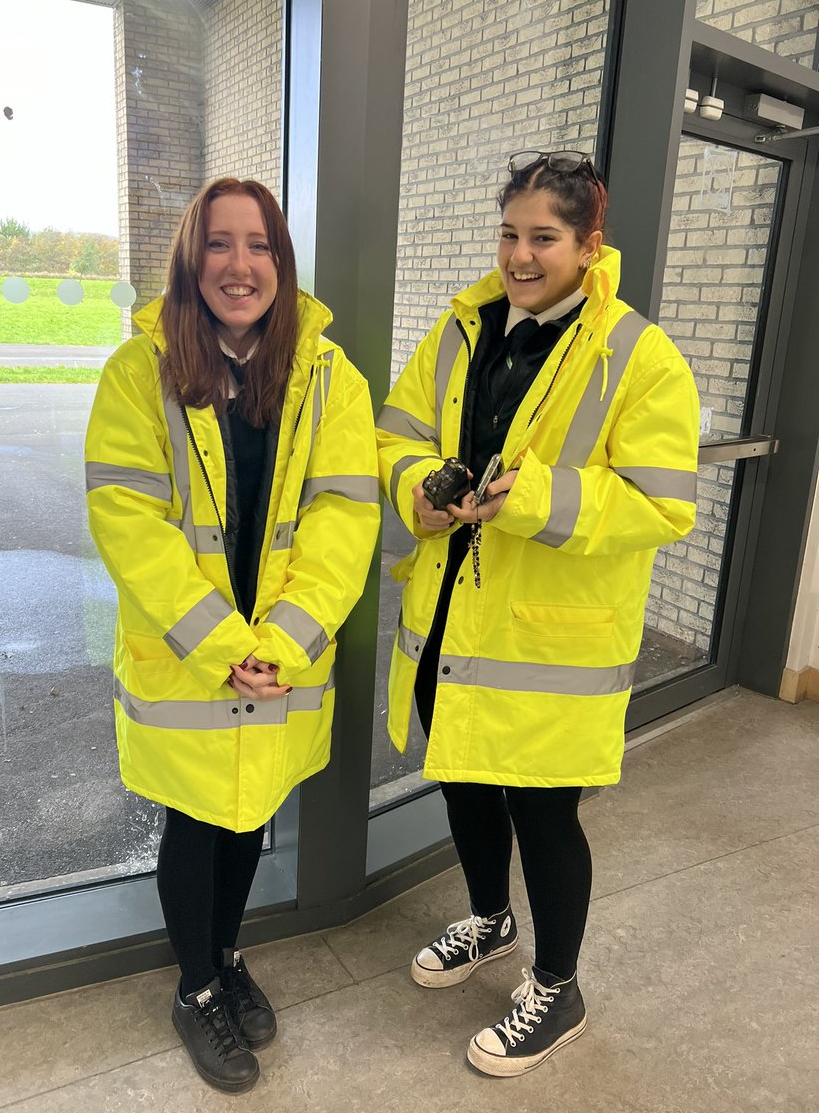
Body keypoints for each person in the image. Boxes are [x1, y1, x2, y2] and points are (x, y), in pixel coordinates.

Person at [376, 150, 699, 1078]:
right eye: (511, 234)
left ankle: (558, 987)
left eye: (545, 238)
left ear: (590, 245)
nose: (521, 255)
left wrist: (536, 497)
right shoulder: (461, 330)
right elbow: (394, 432)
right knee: (467, 784)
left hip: (551, 645)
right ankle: (489, 921)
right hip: (450, 619)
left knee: (547, 816)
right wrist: (419, 487)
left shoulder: (641, 355)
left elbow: (660, 501)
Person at [85, 178, 379, 1094]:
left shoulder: (331, 378)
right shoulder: (140, 371)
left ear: (282, 264)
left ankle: (223, 954)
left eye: (260, 246)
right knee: (195, 822)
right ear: (191, 258)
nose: (240, 265)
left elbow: (343, 517)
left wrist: (282, 644)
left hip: (278, 654)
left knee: (251, 817)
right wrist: (224, 647)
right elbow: (130, 523)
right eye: (219, 244)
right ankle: (195, 987)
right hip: (188, 656)